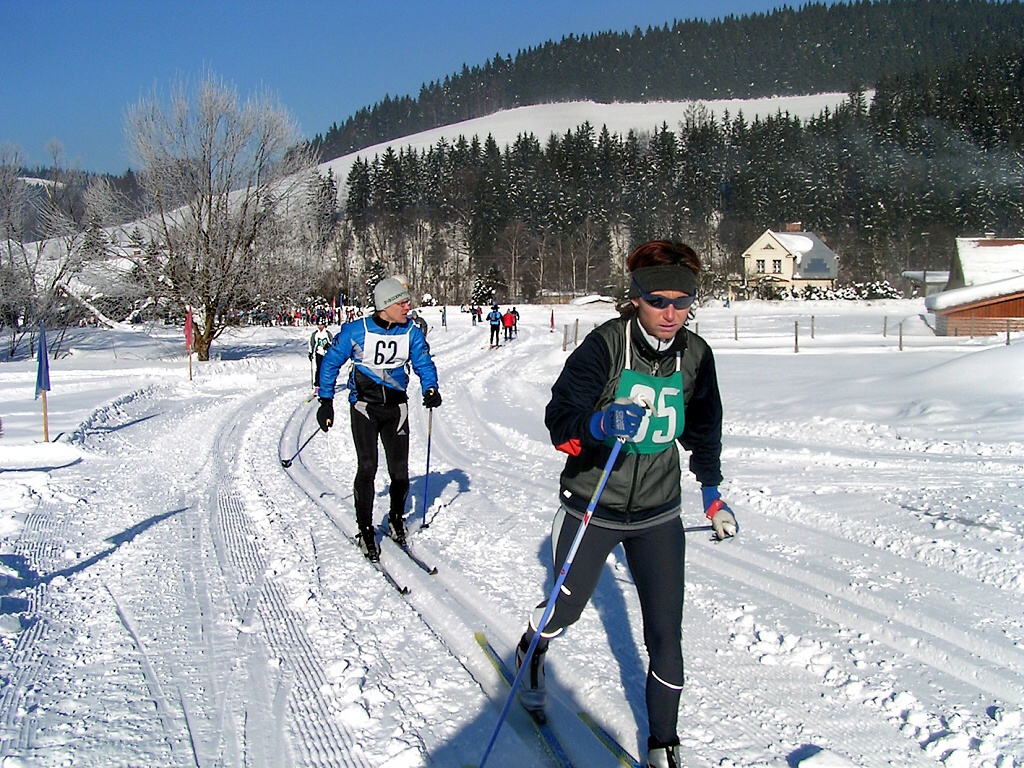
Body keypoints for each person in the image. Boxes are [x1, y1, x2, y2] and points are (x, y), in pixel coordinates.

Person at [513, 241, 736, 768]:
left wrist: (711, 493)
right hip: (593, 504)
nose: (671, 313)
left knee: (666, 631)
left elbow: (704, 429)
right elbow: (558, 423)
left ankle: (663, 744)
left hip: (658, 513)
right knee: (565, 607)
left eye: (683, 302)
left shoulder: (697, 355)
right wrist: (599, 423)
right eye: (659, 300)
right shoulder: (605, 347)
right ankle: (532, 647)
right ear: (635, 297)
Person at [315, 277, 442, 562]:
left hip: (396, 408)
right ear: (386, 305)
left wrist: (430, 387)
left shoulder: (411, 332)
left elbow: (422, 360)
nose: (408, 307)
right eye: (402, 302)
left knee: (399, 472)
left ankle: (396, 516)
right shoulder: (355, 331)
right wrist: (325, 401)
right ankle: (364, 528)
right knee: (368, 467)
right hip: (365, 408)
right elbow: (331, 362)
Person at [308, 320, 333, 393]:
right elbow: (312, 343)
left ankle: (326, 385)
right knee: (318, 369)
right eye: (318, 325)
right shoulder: (315, 334)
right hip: (319, 353)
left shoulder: (327, 334)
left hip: (326, 354)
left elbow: (332, 342)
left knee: (326, 369)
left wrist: (328, 347)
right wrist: (310, 353)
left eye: (321, 325)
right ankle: (317, 385)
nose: (320, 327)